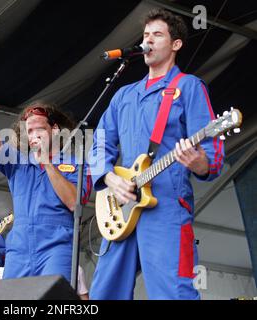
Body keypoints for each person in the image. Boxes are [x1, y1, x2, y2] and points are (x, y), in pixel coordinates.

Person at [88, 9, 224, 300]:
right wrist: (111, 179)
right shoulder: (123, 94)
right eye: (145, 35)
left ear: (175, 44)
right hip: (122, 206)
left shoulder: (189, 87)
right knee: (103, 293)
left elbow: (212, 151)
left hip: (167, 208)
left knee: (174, 293)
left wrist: (199, 162)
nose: (147, 40)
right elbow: (100, 144)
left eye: (157, 34)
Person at [0, 84, 91, 282]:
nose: (33, 136)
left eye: (39, 129)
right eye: (29, 131)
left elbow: (74, 202)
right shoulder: (18, 162)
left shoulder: (76, 165)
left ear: (55, 130)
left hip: (57, 246)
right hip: (19, 250)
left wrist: (48, 164)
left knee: (53, 298)